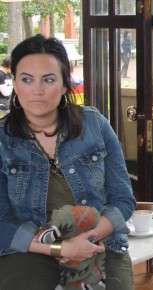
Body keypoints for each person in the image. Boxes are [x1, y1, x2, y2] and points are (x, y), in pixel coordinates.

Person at [0, 34, 136, 290]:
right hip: (29, 250)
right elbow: (1, 223)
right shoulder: (2, 140)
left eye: (48, 80)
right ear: (15, 84)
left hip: (99, 241)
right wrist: (61, 248)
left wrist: (86, 240)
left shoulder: (94, 124)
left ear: (64, 84)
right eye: (26, 79)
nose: (37, 90)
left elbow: (123, 200)